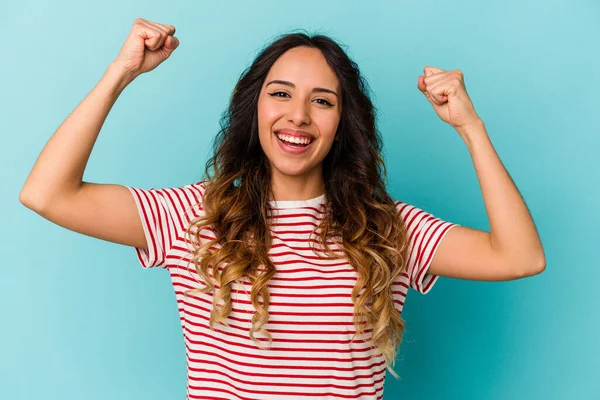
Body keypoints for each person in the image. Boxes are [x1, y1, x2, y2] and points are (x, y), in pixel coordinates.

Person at [19, 18, 546, 400]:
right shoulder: (191, 216)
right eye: (280, 94)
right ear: (255, 109)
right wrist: (120, 73)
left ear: (344, 122)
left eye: (322, 100)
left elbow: (519, 256)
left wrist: (470, 128)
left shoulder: (390, 228)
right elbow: (47, 193)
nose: (298, 117)